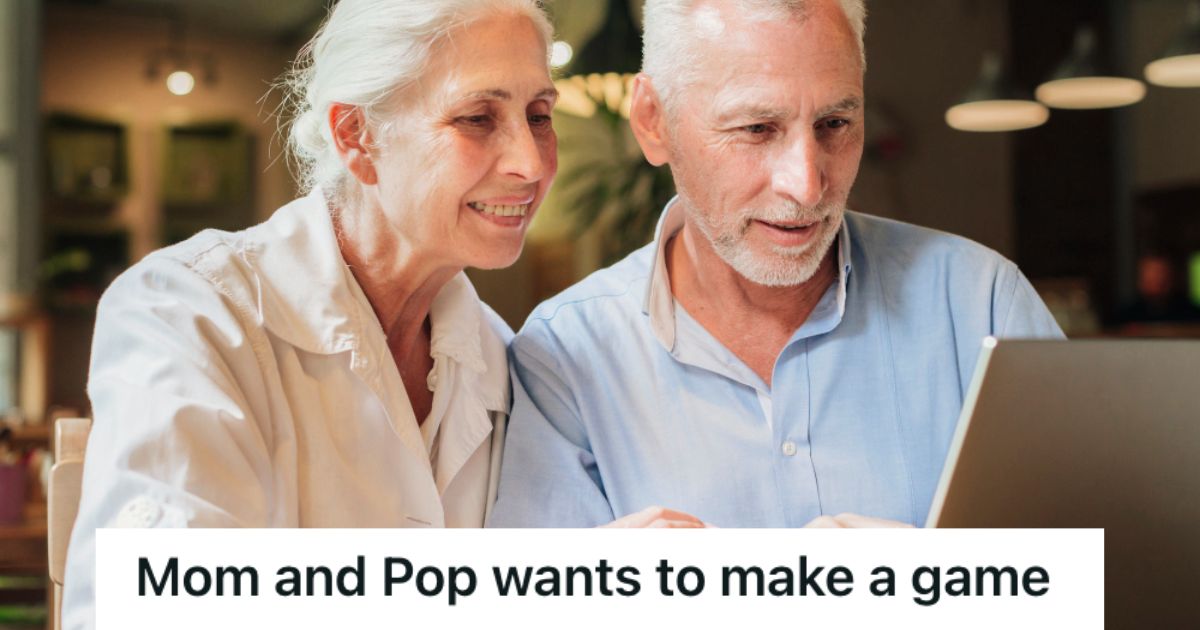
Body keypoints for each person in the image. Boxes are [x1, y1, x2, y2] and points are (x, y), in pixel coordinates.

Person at [62, 0, 558, 626]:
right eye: (477, 117)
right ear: (357, 135)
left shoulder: (498, 353)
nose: (531, 163)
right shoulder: (186, 310)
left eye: (539, 116)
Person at [489, 0, 1064, 528]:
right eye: (757, 129)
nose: (807, 184)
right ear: (652, 121)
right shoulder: (565, 356)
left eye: (835, 125)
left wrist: (942, 587)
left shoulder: (982, 304)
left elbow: (1113, 579)